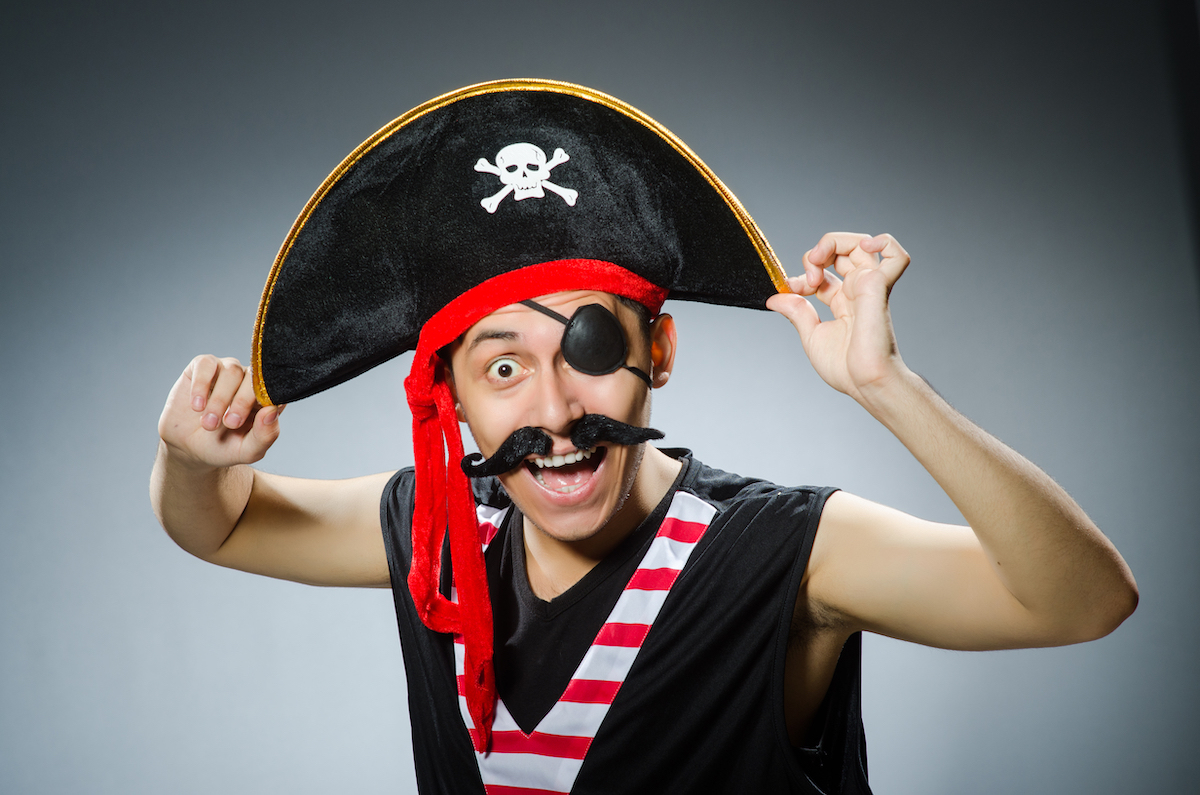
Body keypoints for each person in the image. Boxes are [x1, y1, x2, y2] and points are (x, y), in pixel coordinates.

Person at [151, 80, 1137, 794]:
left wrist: (888, 388)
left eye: (590, 347)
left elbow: (1083, 602)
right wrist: (190, 459)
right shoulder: (443, 530)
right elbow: (219, 526)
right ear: (444, 395)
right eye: (502, 366)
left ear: (658, 352)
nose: (551, 407)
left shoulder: (777, 554)